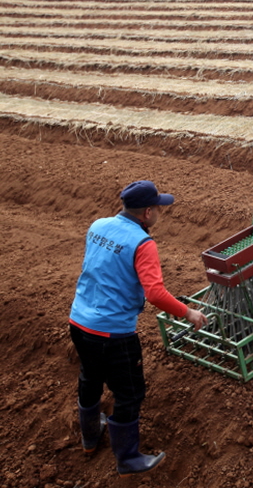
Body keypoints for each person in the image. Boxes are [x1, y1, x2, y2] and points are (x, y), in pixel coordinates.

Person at [69, 180, 207, 477]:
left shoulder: (99, 224)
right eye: (159, 208)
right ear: (147, 213)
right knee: (130, 392)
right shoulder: (143, 243)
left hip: (79, 321)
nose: (160, 212)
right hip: (113, 332)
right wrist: (189, 313)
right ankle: (128, 458)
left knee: (90, 377)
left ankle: (90, 438)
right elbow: (155, 293)